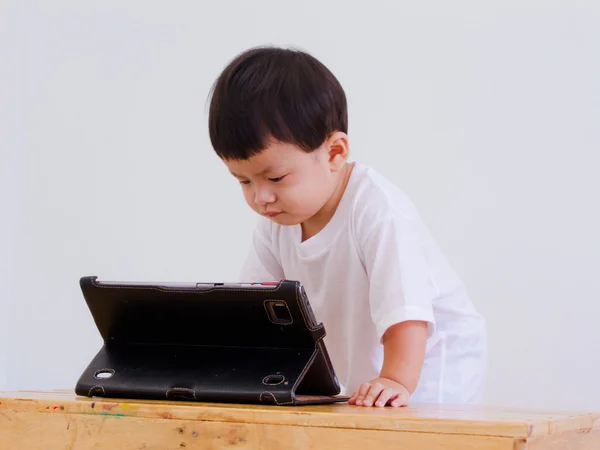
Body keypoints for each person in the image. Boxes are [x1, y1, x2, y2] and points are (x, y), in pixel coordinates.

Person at [207, 46, 487, 407]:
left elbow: (406, 312)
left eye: (275, 177)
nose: (261, 197)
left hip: (431, 367)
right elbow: (255, 309)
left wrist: (396, 378)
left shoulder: (377, 210)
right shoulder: (277, 222)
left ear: (335, 153)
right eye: (243, 182)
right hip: (362, 369)